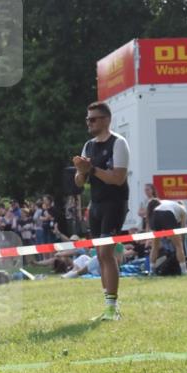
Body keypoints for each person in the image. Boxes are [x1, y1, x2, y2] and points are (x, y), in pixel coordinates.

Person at [72, 101, 130, 321]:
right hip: (95, 205)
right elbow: (79, 182)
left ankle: (112, 307)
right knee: (100, 255)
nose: (89, 122)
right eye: (87, 119)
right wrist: (81, 171)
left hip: (115, 203)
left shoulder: (118, 143)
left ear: (106, 120)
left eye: (93, 119)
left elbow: (118, 178)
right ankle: (109, 305)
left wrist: (92, 169)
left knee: (106, 253)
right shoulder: (88, 146)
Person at [146, 198, 187, 275]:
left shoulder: (167, 203)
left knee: (155, 246)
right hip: (167, 214)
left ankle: (151, 271)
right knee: (179, 245)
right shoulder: (184, 210)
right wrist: (180, 238)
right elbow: (183, 228)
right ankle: (184, 271)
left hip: (154, 215)